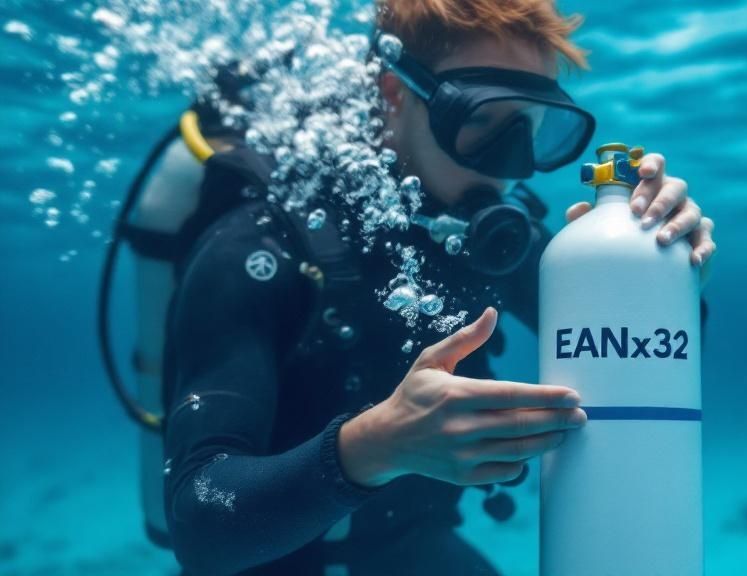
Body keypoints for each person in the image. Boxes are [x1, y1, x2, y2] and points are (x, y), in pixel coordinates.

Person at [159, 0, 717, 574]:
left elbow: (644, 358)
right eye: (480, 119)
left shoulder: (494, 241)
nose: (511, 164)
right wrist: (372, 446)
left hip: (411, 548)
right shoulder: (259, 245)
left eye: (531, 126)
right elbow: (200, 523)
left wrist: (660, 267)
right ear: (395, 93)